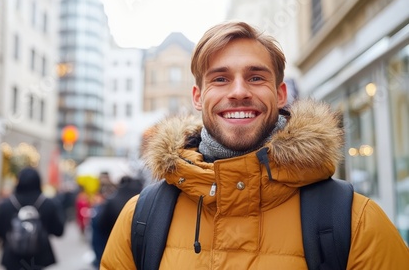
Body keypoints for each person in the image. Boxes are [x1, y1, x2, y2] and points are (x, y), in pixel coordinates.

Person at [100, 21, 409, 269]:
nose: (238, 92)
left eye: (256, 77)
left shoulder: (357, 222)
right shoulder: (139, 218)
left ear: (280, 93)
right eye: (220, 79)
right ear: (197, 96)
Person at [0, 167, 64, 270]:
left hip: (12, 258)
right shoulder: (48, 204)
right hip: (39, 259)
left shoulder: (6, 205)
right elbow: (59, 231)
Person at [91, 176, 143, 268]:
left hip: (113, 247)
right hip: (138, 250)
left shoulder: (113, 201)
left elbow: (101, 225)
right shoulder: (143, 201)